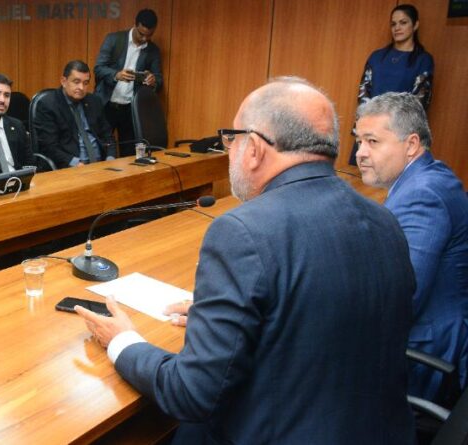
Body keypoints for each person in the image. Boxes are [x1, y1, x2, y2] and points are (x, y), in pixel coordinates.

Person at [75, 77, 417, 443]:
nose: (229, 150)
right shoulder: (385, 220)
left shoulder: (242, 232)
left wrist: (123, 342)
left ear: (253, 148)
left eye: (231, 138)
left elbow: (190, 394)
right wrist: (233, 318)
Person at [356, 92, 468, 403]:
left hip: (424, 351)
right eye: (359, 141)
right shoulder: (428, 177)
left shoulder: (424, 195)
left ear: (411, 145)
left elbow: (403, 295)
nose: (360, 153)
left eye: (372, 142)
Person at [349, 4, 434, 165]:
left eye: (403, 23)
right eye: (393, 24)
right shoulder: (376, 57)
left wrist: (389, 129)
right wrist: (367, 126)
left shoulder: (423, 60)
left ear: (415, 25)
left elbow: (419, 103)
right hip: (368, 131)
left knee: (387, 184)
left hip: (397, 135)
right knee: (358, 180)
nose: (397, 28)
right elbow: (363, 92)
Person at [93, 8, 162, 157]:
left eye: (149, 36)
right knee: (100, 149)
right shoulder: (114, 40)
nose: (144, 39)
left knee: (128, 153)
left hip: (131, 109)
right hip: (107, 105)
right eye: (141, 34)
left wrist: (153, 81)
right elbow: (98, 68)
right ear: (135, 25)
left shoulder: (153, 50)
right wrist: (116, 75)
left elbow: (159, 80)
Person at [31, 60, 114, 169]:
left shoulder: (94, 101)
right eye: (76, 81)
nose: (81, 87)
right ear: (63, 81)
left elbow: (107, 135)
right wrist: (75, 163)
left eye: (85, 83)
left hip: (101, 166)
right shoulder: (48, 104)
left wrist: (110, 158)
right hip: (70, 167)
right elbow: (49, 146)